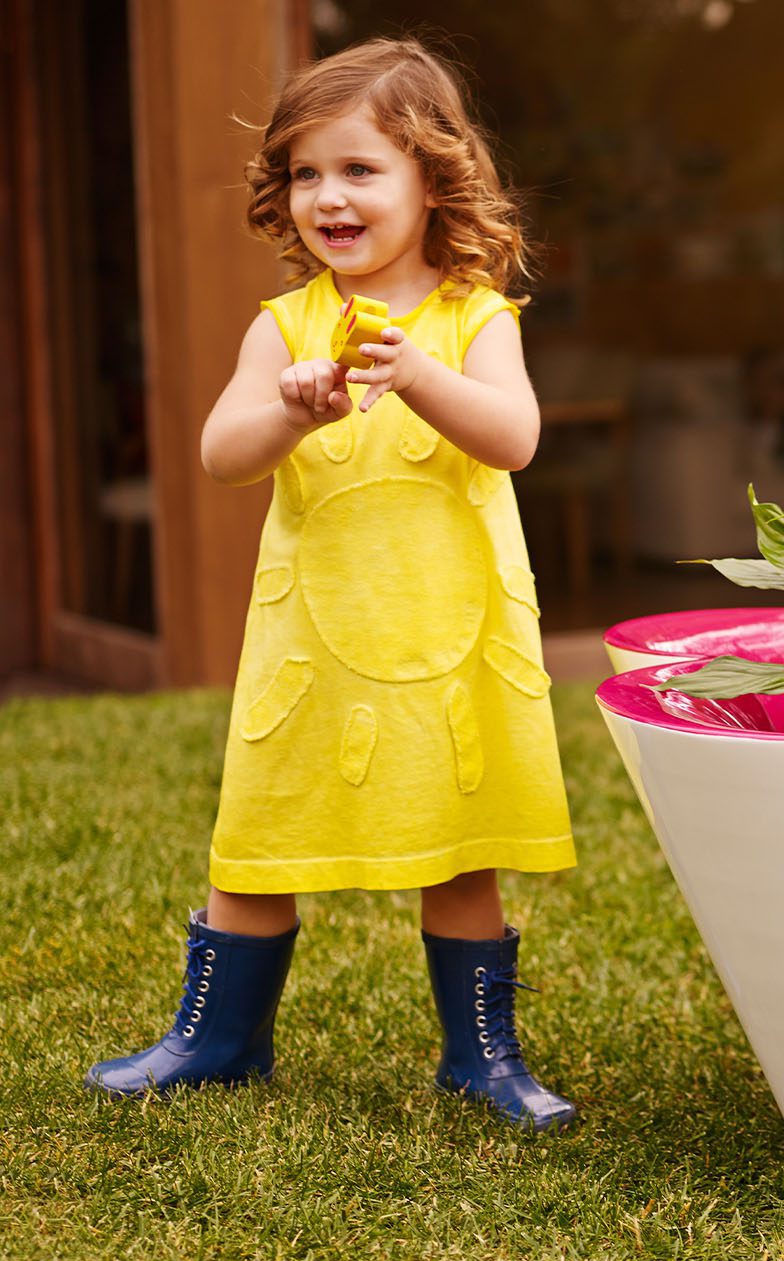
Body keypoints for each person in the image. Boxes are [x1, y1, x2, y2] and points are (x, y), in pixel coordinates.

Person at [85, 37, 579, 1131]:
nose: (328, 195)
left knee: (458, 841)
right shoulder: (288, 326)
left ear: (432, 180)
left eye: (359, 169)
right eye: (306, 172)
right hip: (312, 640)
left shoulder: (472, 316)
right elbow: (222, 451)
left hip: (447, 637)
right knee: (264, 831)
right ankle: (217, 1038)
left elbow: (515, 438)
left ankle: (482, 1055)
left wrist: (417, 374)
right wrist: (290, 409)